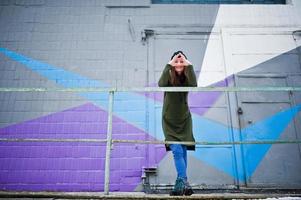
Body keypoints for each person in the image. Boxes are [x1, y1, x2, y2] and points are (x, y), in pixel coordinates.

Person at [158, 51, 197, 196]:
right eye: (176, 62)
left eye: (182, 62)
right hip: (169, 121)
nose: (179, 64)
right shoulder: (168, 76)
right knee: (177, 151)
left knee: (183, 151)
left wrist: (189, 65)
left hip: (184, 120)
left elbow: (194, 84)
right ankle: (183, 182)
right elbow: (161, 84)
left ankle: (182, 184)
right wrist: (169, 64)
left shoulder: (187, 77)